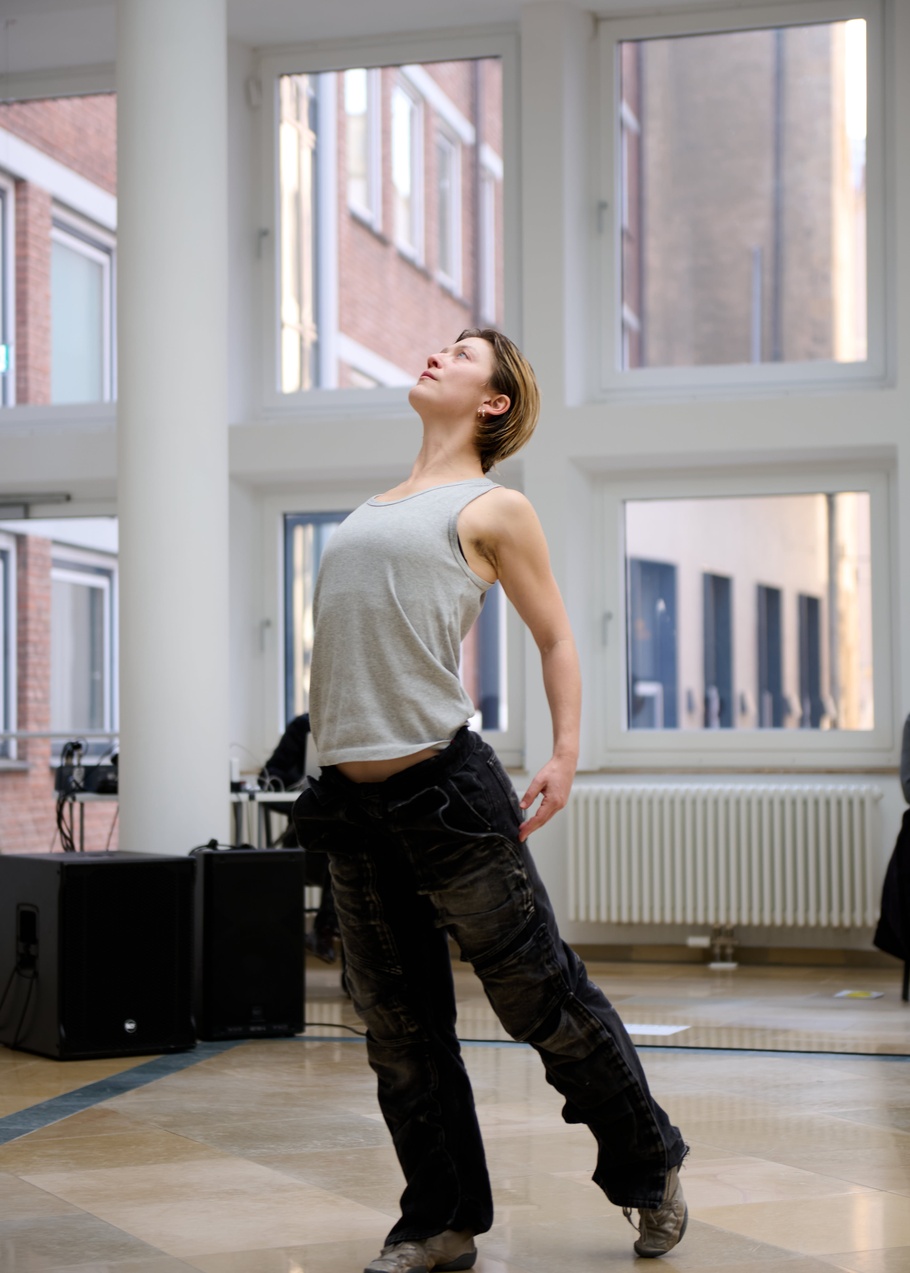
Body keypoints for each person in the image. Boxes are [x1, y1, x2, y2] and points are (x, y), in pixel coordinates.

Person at [293, 329, 688, 1271]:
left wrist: (564, 753)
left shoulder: (494, 506)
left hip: (447, 797)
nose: (437, 354)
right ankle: (441, 1221)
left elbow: (556, 637)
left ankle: (650, 1168)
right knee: (399, 1034)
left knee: (541, 1000)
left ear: (494, 402)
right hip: (350, 806)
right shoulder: (375, 507)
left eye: (462, 353)